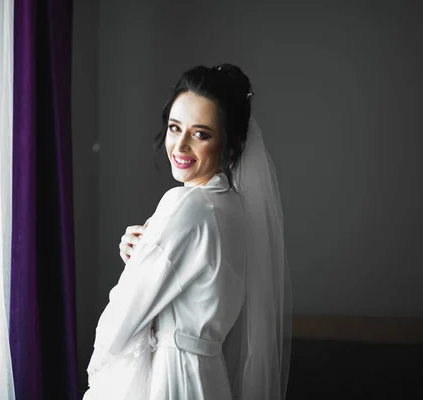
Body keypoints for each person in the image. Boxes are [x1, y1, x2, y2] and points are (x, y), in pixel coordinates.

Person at [83, 63, 291, 400]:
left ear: (229, 142)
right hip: (209, 379)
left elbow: (122, 319)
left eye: (200, 133)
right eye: (174, 127)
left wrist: (98, 372)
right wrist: (141, 256)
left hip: (171, 380)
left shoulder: (186, 205)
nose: (180, 146)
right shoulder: (233, 208)